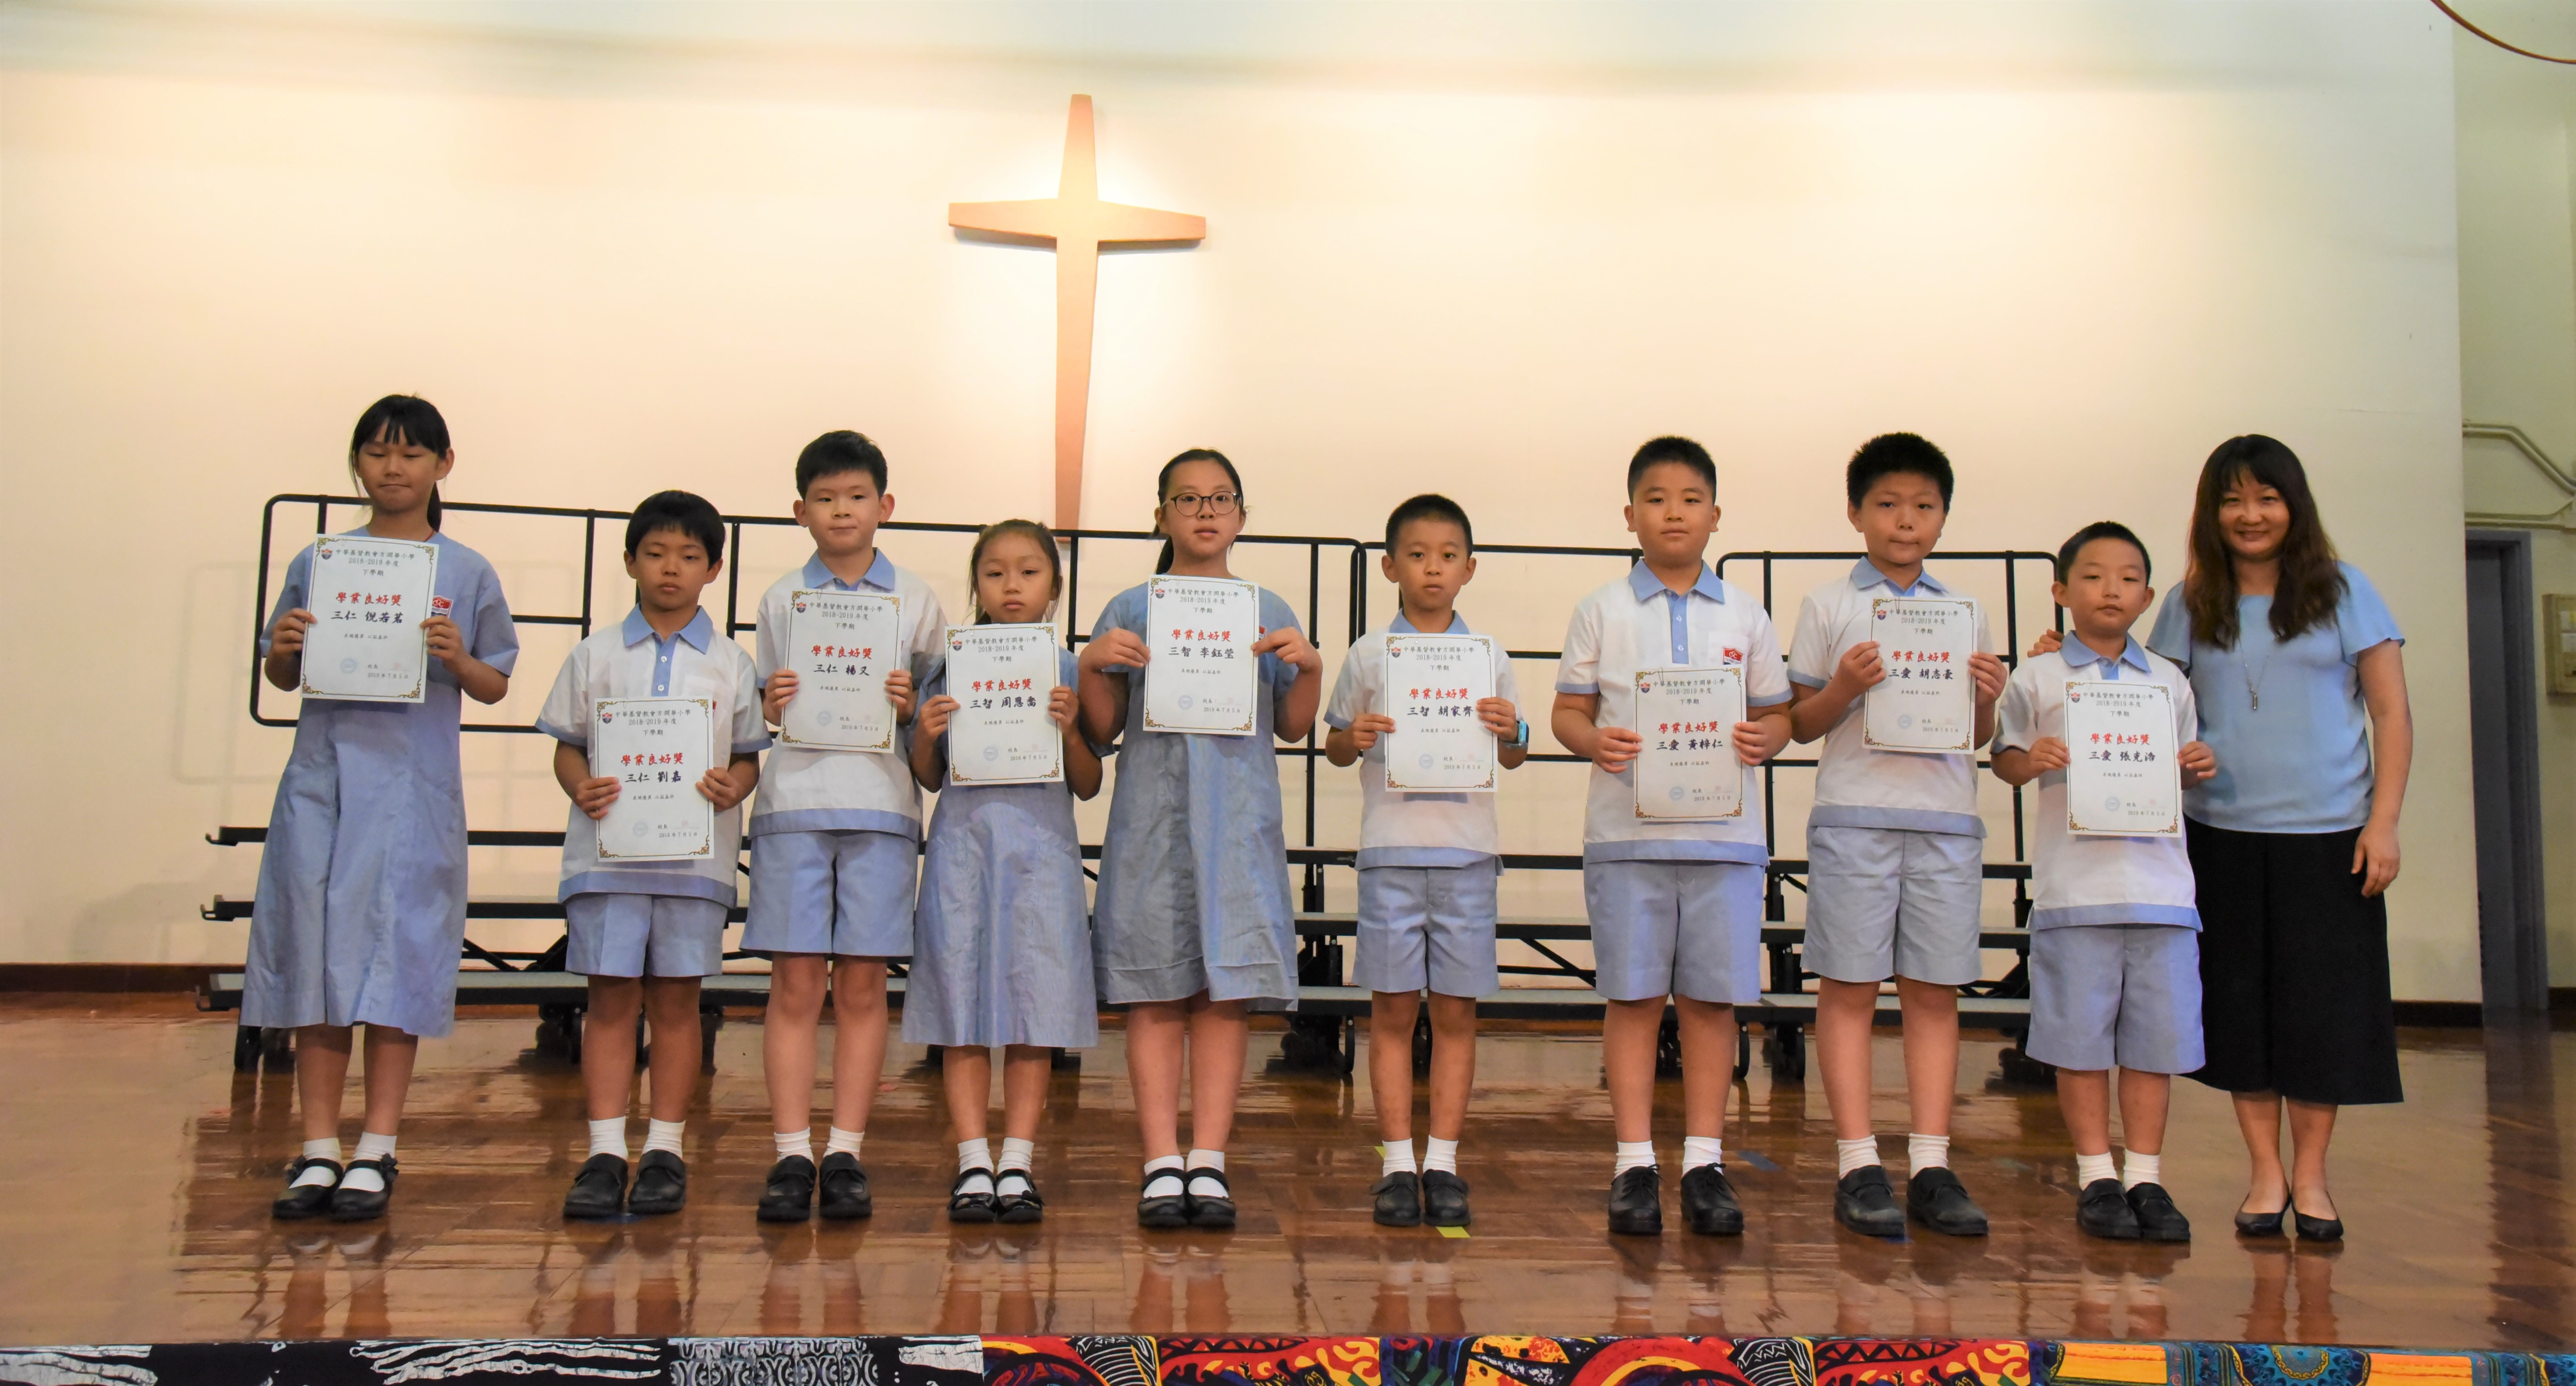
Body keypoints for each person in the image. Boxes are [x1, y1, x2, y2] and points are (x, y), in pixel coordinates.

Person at [254, 394, 519, 1222]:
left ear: (444, 465)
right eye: (376, 452)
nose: (392, 469)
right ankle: (317, 1147)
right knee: (315, 954)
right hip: (324, 785)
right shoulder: (321, 560)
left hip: (411, 791)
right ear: (357, 464)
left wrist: (457, 658)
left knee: (395, 960)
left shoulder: (466, 571)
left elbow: (496, 682)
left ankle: (377, 1148)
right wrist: (284, 650)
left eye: (410, 454)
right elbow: (281, 675)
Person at [2145, 435, 2410, 1243]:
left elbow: (2391, 712)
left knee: (2322, 1012)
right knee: (2241, 1008)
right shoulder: (2190, 602)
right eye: (2232, 500)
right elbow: (2147, 702)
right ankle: (2265, 1172)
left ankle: (2314, 1177)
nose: (2250, 515)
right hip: (2221, 834)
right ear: (2211, 512)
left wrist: (2384, 822)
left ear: (2294, 506)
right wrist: (2069, 658)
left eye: (2266, 498)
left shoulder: (2345, 591)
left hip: (2331, 837)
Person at [1550, 436, 1792, 1238]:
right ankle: (1632, 1163)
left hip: (1725, 842)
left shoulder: (1746, 614)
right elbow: (1567, 713)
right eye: (1656, 499)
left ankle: (1704, 1162)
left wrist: (1767, 736)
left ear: (1717, 515)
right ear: (1630, 516)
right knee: (1633, 999)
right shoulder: (1601, 609)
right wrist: (1594, 741)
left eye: (1691, 499)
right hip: (1628, 840)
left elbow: (1779, 716)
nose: (1674, 513)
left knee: (1711, 1004)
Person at [1078, 448, 1325, 1230]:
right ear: (1161, 517)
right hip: (1152, 822)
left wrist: (1310, 668)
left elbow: (1294, 726)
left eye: (1221, 498)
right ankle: (1161, 1161)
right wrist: (1091, 665)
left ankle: (1209, 1160)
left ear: (1243, 515)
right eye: (1187, 499)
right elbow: (1102, 729)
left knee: (1226, 995)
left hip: (1237, 823)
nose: (1206, 512)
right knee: (1155, 992)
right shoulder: (1130, 608)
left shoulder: (1267, 608)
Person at [1785, 431, 2006, 1239]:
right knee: (1848, 989)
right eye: (1887, 504)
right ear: (1855, 513)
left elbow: (1978, 737)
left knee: (1934, 992)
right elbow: (1800, 724)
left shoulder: (1966, 612)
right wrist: (1846, 684)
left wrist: (1989, 697)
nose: (1905, 520)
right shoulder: (1829, 605)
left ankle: (1933, 1164)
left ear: (1943, 518)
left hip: (1945, 820)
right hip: (1856, 817)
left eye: (1923, 506)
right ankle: (1857, 1162)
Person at [538, 491, 766, 1220]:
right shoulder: (595, 653)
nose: (672, 568)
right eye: (657, 553)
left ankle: (666, 1149)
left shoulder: (732, 663)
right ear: (631, 560)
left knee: (677, 1003)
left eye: (689, 556)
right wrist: (581, 787)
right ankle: (605, 1151)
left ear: (714, 569)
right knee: (609, 1001)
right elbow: (568, 747)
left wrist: (736, 786)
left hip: (694, 865)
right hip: (608, 859)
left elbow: (748, 757)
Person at [1992, 521, 2216, 1243]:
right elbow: (2004, 759)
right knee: (2080, 1043)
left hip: (2161, 893)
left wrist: (2195, 766)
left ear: (2148, 597)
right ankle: (2096, 1176)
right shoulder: (2038, 677)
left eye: (2127, 578)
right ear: (2061, 592)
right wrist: (2031, 759)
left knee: (2154, 1044)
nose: (2110, 590)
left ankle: (2146, 1176)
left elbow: (2182, 766)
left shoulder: (2169, 681)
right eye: (2092, 576)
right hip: (2076, 893)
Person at [745, 431, 947, 1223]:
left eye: (857, 497)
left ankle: (847, 1152)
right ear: (800, 511)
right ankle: (792, 1152)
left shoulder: (918, 601)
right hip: (794, 805)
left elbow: (935, 714)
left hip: (883, 808)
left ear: (885, 506)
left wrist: (911, 707)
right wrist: (771, 705)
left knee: (863, 986)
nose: (841, 511)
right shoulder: (779, 601)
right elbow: (765, 707)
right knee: (796, 984)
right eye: (825, 499)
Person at [1323, 494, 1529, 1229]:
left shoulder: (1489, 656)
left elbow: (1516, 752)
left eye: (1447, 556)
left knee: (1456, 1013)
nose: (1433, 569)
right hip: (1391, 851)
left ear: (1470, 568)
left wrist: (1511, 730)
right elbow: (1335, 744)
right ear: (1389, 567)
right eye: (1417, 555)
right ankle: (1395, 1164)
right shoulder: (1368, 653)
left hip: (1468, 853)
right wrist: (1355, 737)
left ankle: (1442, 1160)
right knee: (1390, 1011)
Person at [905, 519, 1105, 1224]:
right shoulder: (948, 666)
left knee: (1033, 1008)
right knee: (960, 1007)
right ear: (977, 585)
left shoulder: (1068, 669)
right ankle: (971, 1159)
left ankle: (1017, 1160)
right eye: (994, 573)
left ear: (1055, 585)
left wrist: (1071, 729)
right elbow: (929, 776)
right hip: (963, 849)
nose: (1011, 586)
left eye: (1028, 572)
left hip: (1042, 855)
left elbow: (1088, 783)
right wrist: (926, 734)